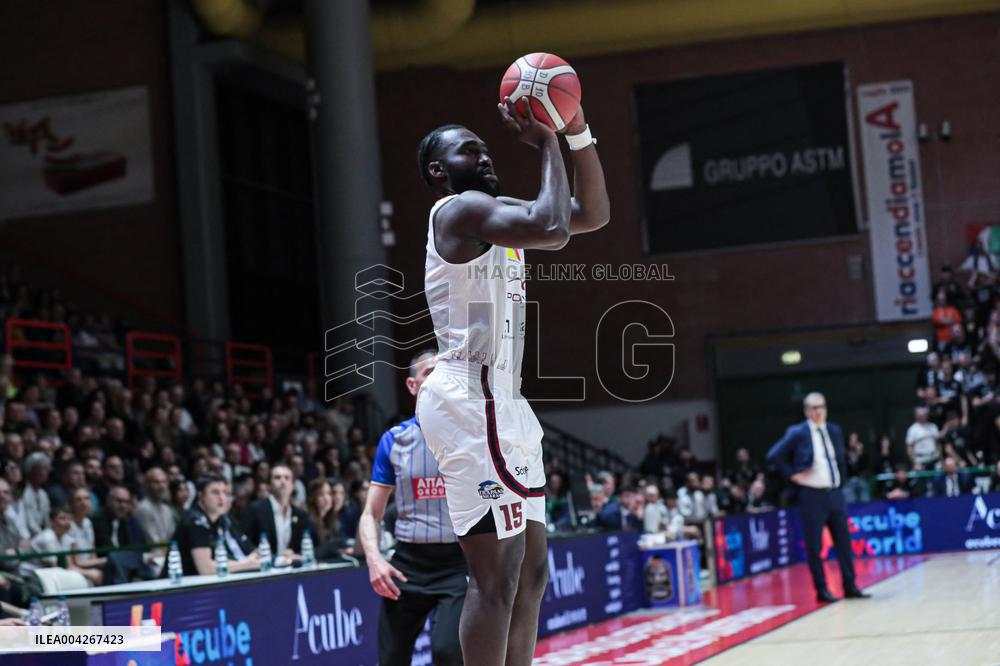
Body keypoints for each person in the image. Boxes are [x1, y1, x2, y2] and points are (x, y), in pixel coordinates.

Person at [414, 94, 609, 666]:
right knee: (495, 576)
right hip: (469, 394)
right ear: (438, 169)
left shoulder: (495, 215)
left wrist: (577, 132)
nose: (485, 153)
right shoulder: (457, 210)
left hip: (503, 399)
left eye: (484, 145)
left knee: (532, 572)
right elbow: (552, 225)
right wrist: (548, 139)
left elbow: (591, 215)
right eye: (468, 149)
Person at [359, 350, 466, 666]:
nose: (438, 379)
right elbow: (370, 514)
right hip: (408, 564)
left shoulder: (469, 439)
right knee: (391, 659)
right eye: (429, 372)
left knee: (447, 652)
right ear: (411, 384)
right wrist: (375, 559)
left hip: (457, 563)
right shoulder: (394, 440)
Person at [766, 392, 870, 603]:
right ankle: (821, 590)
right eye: (813, 408)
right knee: (814, 547)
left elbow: (839, 459)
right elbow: (773, 455)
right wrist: (792, 476)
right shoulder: (798, 432)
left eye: (821, 406)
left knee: (844, 542)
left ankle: (850, 586)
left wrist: (841, 483)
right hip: (811, 495)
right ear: (806, 411)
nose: (818, 411)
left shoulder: (834, 430)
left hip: (834, 493)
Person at [171, 475, 259, 576]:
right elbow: (205, 569)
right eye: (215, 492)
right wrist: (246, 564)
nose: (222, 498)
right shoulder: (195, 521)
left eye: (225, 493)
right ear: (201, 496)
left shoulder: (220, 520)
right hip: (177, 587)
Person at [241, 463, 313, 562]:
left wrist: (295, 554)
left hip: (292, 569)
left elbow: (305, 546)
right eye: (277, 477)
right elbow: (246, 543)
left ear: (293, 485)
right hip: (264, 569)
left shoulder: (301, 515)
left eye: (287, 478)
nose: (282, 481)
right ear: (269, 485)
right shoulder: (255, 510)